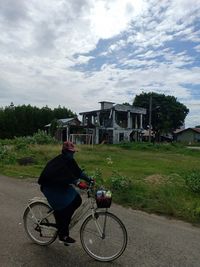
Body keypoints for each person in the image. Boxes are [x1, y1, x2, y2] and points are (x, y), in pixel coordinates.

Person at [38, 141, 92, 245]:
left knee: (77, 199)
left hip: (60, 186)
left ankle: (63, 221)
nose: (72, 154)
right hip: (50, 188)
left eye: (73, 152)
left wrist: (89, 179)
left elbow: (78, 171)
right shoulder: (60, 162)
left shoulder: (70, 160)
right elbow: (66, 175)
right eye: (70, 152)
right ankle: (63, 234)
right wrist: (77, 182)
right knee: (66, 207)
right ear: (65, 151)